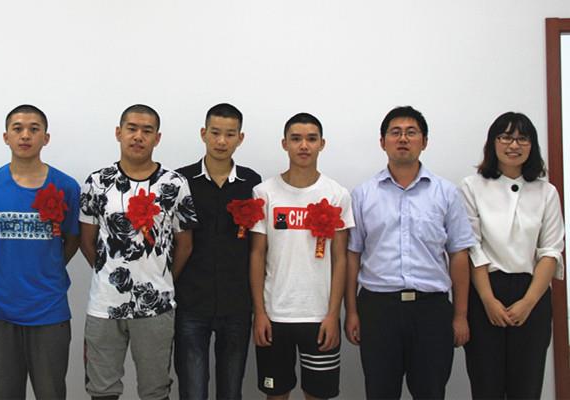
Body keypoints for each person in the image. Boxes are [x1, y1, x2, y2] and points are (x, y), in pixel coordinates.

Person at [344, 106, 476, 399]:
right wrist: (351, 312)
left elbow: (458, 254)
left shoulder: (446, 193)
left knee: (431, 392)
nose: (403, 138)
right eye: (395, 132)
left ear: (424, 142)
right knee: (380, 392)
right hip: (378, 309)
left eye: (411, 132)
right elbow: (353, 255)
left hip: (431, 310)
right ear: (383, 142)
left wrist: (460, 315)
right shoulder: (363, 194)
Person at [79, 104, 199, 400]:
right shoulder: (97, 182)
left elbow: (185, 244)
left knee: (155, 389)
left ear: (157, 138)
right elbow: (86, 241)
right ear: (118, 133)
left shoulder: (174, 184)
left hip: (156, 306)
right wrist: (109, 273)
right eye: (131, 129)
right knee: (101, 389)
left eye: (147, 131)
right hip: (105, 305)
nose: (138, 136)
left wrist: (162, 279)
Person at [0, 104, 80, 399]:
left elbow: (72, 240)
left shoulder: (66, 187)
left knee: (51, 392)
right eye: (17, 128)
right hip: (0, 310)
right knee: (6, 393)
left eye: (34, 129)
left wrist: (48, 264)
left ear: (46, 138)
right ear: (5, 136)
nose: (25, 135)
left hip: (49, 311)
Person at [460, 112, 564, 399]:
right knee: (486, 384)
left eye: (522, 139)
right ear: (493, 142)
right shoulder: (472, 186)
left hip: (532, 292)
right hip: (485, 291)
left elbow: (551, 250)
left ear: (532, 146)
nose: (514, 145)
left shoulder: (546, 192)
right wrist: (488, 300)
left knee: (526, 386)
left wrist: (528, 302)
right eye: (506, 137)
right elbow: (472, 247)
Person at [249, 112, 353, 400]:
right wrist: (260, 313)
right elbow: (257, 255)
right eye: (296, 139)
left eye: (311, 139)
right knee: (276, 394)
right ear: (284, 144)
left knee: (317, 394)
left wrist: (333, 314)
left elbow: (341, 259)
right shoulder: (264, 193)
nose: (304, 145)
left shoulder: (337, 194)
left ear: (322, 144)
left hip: (320, 316)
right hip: (275, 315)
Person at [174, 103, 262, 400]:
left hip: (237, 303)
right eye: (215, 133)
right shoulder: (180, 180)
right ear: (203, 134)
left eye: (230, 134)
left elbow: (257, 245)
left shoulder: (252, 183)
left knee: (231, 390)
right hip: (191, 302)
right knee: (193, 390)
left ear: (240, 138)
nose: (222, 141)